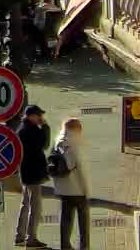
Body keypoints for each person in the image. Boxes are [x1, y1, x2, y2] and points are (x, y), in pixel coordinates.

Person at [14, 105, 52, 247]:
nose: (40, 118)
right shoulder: (31, 130)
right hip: (33, 173)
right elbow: (44, 144)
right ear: (31, 116)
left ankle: (20, 236)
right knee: (35, 207)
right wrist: (46, 127)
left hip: (25, 172)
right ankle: (31, 238)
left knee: (25, 204)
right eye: (38, 115)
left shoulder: (23, 129)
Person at [50, 116, 89, 249]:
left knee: (65, 218)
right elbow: (79, 168)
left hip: (62, 188)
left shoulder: (57, 142)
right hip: (77, 189)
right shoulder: (74, 143)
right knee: (83, 220)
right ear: (76, 129)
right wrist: (86, 189)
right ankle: (84, 246)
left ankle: (65, 245)